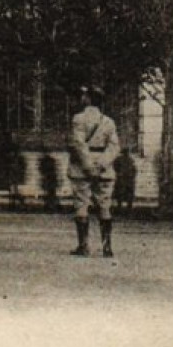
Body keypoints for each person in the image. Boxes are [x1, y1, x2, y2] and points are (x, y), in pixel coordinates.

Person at [68, 84, 121, 257]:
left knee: (81, 204)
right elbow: (114, 147)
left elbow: (79, 144)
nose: (82, 98)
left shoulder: (78, 119)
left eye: (84, 96)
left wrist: (89, 166)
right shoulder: (109, 122)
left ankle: (83, 246)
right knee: (105, 205)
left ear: (88, 99)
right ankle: (107, 247)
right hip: (103, 170)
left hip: (82, 169)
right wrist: (101, 165)